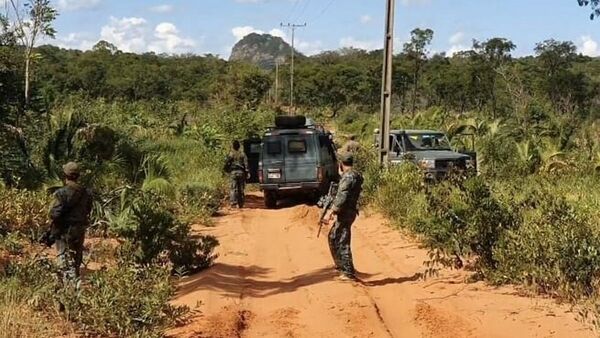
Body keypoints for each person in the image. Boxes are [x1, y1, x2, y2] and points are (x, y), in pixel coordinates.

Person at [48, 162, 93, 283]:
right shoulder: (86, 193)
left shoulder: (61, 193)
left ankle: (68, 287)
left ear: (65, 175)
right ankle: (75, 282)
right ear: (78, 176)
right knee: (76, 257)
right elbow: (88, 209)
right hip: (79, 229)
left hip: (64, 230)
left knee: (63, 257)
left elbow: (54, 213)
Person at [323, 152, 363, 281]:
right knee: (333, 236)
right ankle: (341, 266)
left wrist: (331, 212)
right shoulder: (356, 175)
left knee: (342, 240)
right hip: (349, 211)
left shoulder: (348, 177)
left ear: (341, 164)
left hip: (345, 212)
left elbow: (342, 196)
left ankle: (348, 272)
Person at [224, 140, 249, 208]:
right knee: (241, 188)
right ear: (239, 146)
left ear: (233, 146)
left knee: (233, 188)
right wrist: (247, 172)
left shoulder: (231, 154)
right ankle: (241, 203)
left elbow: (227, 163)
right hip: (241, 172)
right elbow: (246, 164)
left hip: (233, 172)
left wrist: (225, 169)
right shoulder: (242, 154)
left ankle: (233, 203)